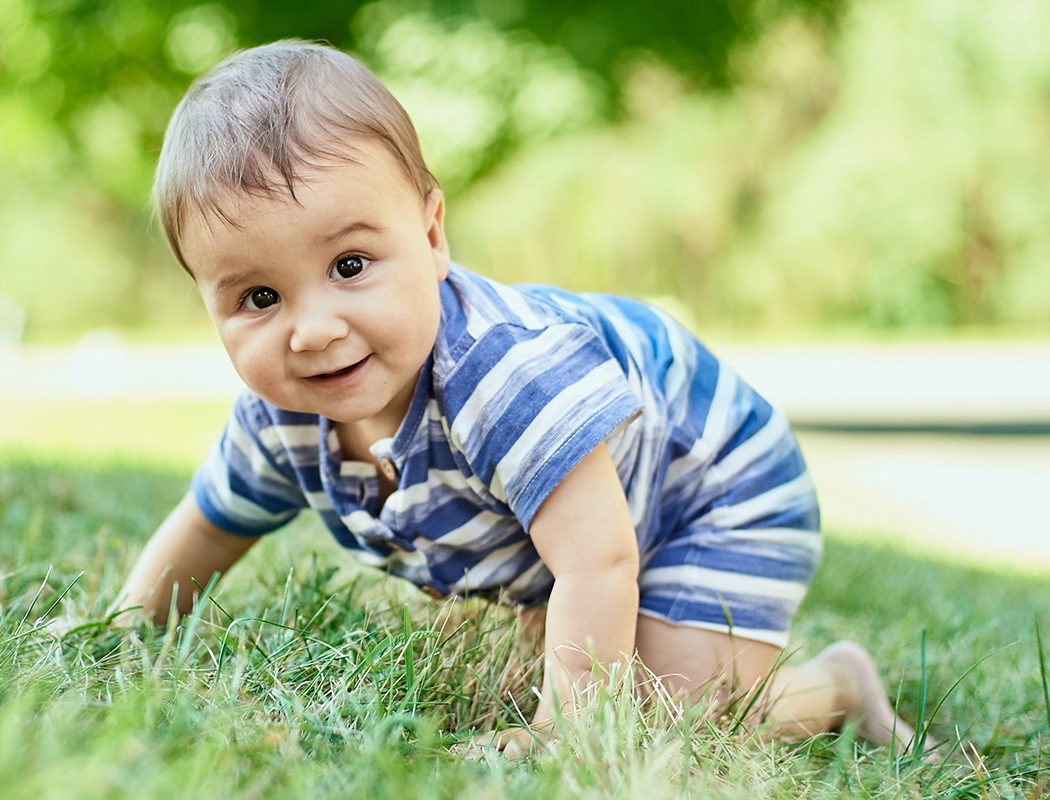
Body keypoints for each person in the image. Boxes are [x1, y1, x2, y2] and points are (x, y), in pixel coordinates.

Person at [112, 39, 929, 759]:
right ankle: (558, 629)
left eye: (350, 266)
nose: (313, 330)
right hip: (593, 513)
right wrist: (121, 634)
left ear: (432, 237)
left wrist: (564, 731)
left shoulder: (501, 377)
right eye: (258, 297)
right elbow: (211, 522)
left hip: (711, 482)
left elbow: (598, 556)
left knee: (668, 709)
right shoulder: (279, 413)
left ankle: (836, 687)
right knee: (556, 659)